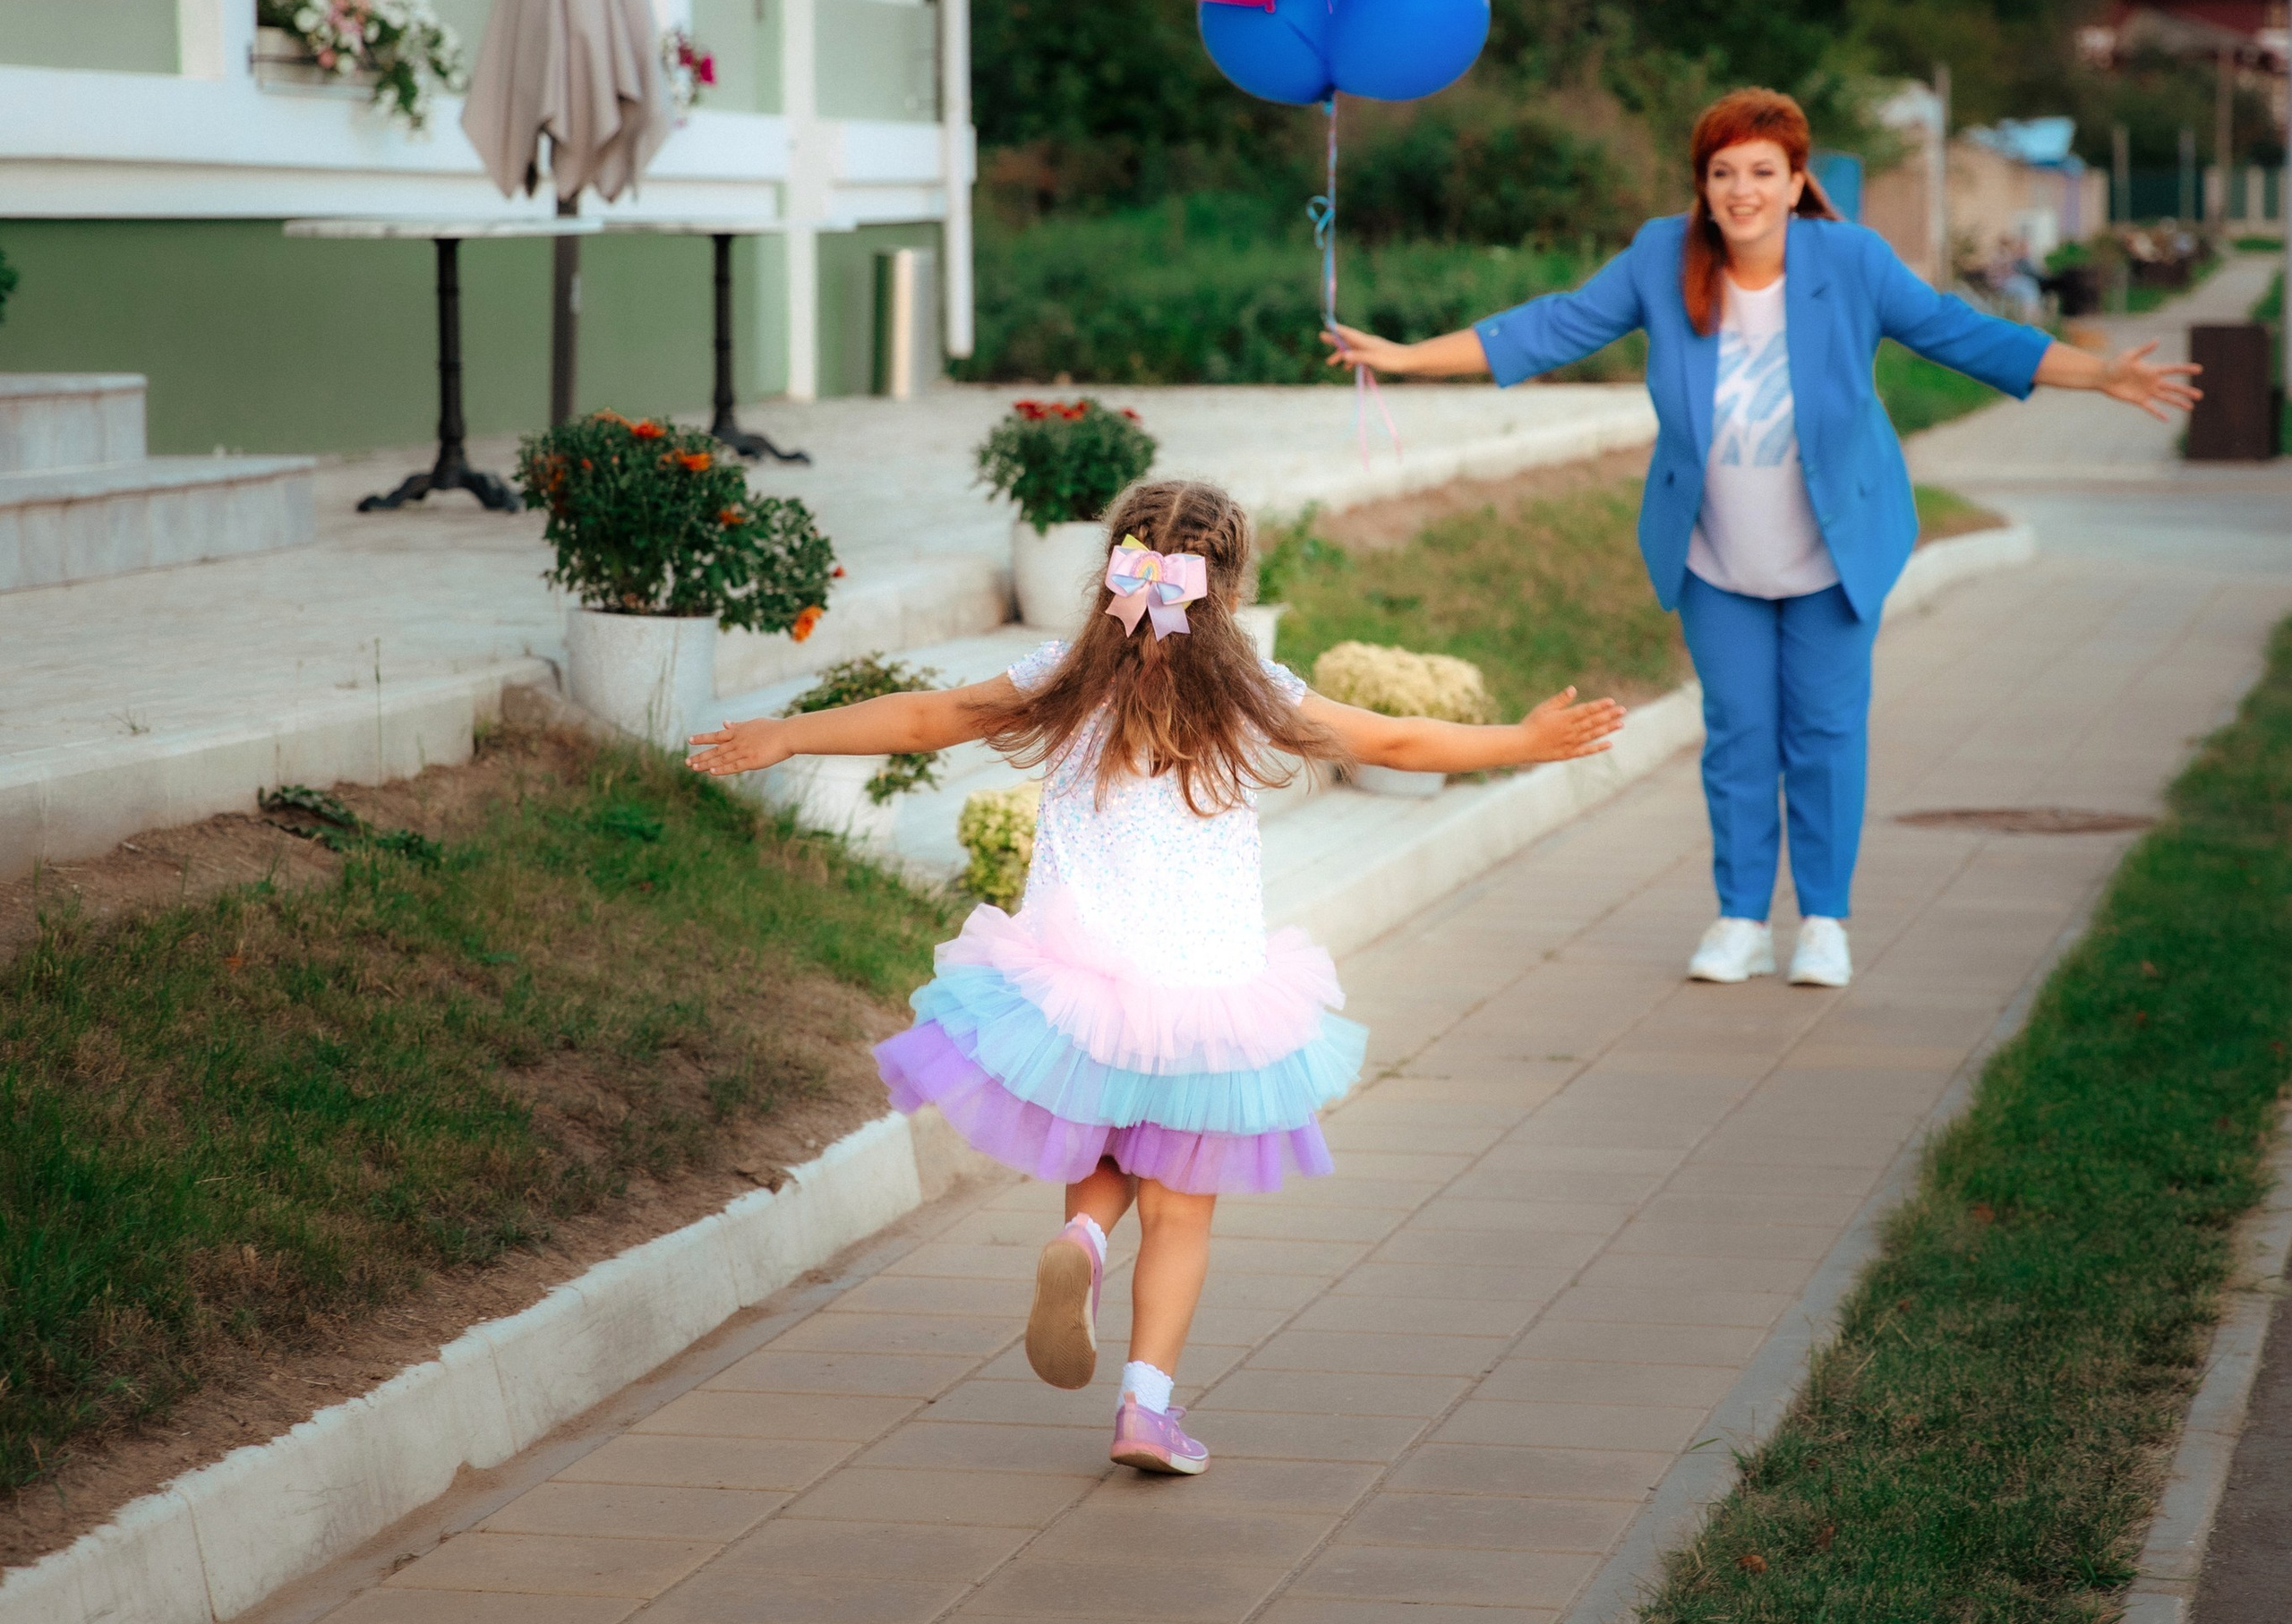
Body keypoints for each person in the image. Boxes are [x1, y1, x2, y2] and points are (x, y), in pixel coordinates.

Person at [689, 476, 1622, 1477]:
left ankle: (1085, 1242)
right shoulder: (1252, 686)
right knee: (1181, 1208)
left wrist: (786, 733)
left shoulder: (1065, 674)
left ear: (1114, 568)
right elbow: (1390, 740)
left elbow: (928, 719)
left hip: (1076, 989)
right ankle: (1146, 1408)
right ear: (1226, 587)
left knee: (1099, 1146)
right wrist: (1522, 741)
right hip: (1207, 998)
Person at [1326, 87, 2199, 994]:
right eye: (1721, 173)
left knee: (1823, 735)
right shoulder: (1661, 257)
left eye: (1760, 172)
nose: (1740, 190)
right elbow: (1554, 326)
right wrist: (1405, 355)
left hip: (1830, 552)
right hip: (1714, 554)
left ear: (1795, 183)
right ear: (1702, 187)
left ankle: (1822, 922)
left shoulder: (1850, 261)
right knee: (1738, 734)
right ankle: (1740, 918)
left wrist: (2098, 372)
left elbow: (1956, 333)